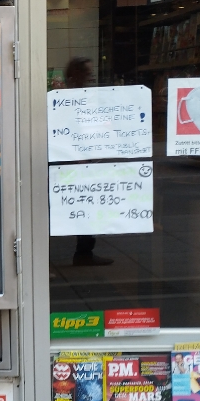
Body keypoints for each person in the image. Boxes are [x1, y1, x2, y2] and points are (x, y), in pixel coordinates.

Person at [64, 57, 113, 266]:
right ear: (75, 76)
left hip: (84, 159)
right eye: (87, 73)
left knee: (87, 207)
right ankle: (81, 252)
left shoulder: (87, 98)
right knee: (63, 209)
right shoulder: (66, 100)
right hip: (71, 161)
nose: (91, 77)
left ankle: (84, 252)